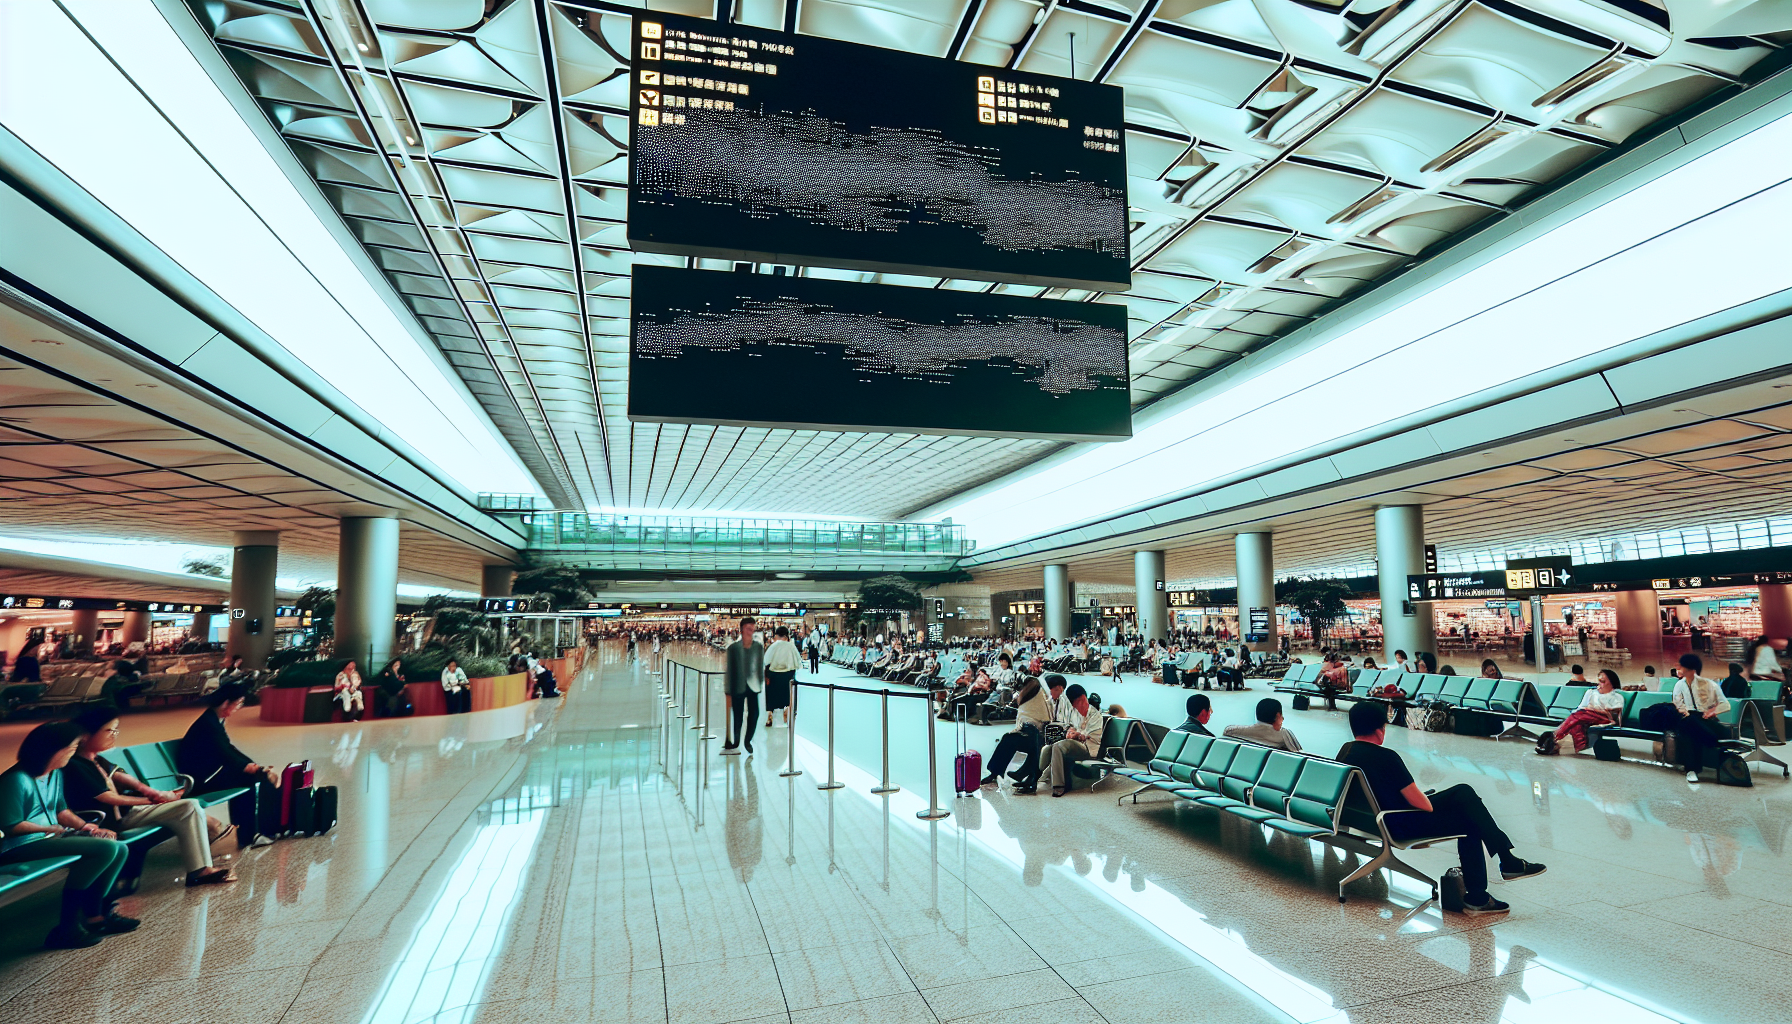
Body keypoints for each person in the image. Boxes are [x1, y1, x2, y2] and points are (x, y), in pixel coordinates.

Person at [1338, 701, 1545, 915]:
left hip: (1369, 819)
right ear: (1380, 729)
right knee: (1466, 805)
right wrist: (1425, 797)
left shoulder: (1346, 751)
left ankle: (1506, 864)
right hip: (1397, 823)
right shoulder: (1387, 757)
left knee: (1465, 803)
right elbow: (1423, 805)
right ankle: (1492, 880)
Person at [0, 721, 137, 948]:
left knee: (119, 847)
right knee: (104, 849)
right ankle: (67, 926)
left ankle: (97, 916)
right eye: (71, 748)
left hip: (49, 839)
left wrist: (87, 827)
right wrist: (48, 829)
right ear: (53, 749)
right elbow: (12, 826)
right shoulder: (15, 780)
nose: (73, 753)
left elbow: (61, 811)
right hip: (18, 846)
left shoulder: (55, 775)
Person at [63, 708, 235, 887]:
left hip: (128, 813)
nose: (114, 735)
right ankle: (200, 871)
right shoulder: (76, 764)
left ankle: (200, 869)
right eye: (109, 730)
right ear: (86, 735)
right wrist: (151, 800)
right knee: (188, 807)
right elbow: (109, 798)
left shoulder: (95, 759)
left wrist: (150, 792)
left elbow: (120, 776)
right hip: (109, 821)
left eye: (116, 730)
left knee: (189, 807)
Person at [981, 676, 1050, 793]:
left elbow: (1044, 718)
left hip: (1038, 735)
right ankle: (998, 772)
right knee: (1008, 739)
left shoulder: (1039, 696)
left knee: (1018, 739)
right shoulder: (1037, 697)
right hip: (1033, 733)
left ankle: (1027, 778)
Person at [1669, 653, 1730, 783]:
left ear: (1692, 669)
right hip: (1689, 719)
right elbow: (1678, 705)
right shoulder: (1679, 685)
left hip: (1705, 720)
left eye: (1683, 666)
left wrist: (1712, 711)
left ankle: (1691, 770)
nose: (1680, 669)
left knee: (1690, 727)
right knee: (1689, 724)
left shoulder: (1709, 685)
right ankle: (1710, 743)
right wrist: (1685, 713)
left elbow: (1725, 704)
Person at [1042, 683, 1104, 798]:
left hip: (1089, 747)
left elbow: (1089, 736)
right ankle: (1037, 776)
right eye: (1075, 705)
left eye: (1080, 702)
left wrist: (1077, 735)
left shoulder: (1095, 715)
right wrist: (1070, 732)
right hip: (1077, 743)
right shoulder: (1075, 713)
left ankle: (1059, 786)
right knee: (1049, 747)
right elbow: (1072, 726)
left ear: (1084, 699)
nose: (1078, 707)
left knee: (1058, 747)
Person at [1543, 670, 1624, 754]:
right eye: (1599, 681)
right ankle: (1576, 747)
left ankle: (1554, 737)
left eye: (1603, 681)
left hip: (1605, 719)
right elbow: (1581, 708)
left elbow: (1613, 714)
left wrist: (1593, 709)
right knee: (1577, 723)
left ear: (1611, 683)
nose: (1600, 684)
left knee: (1579, 716)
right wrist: (1589, 709)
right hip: (1586, 716)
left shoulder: (1617, 696)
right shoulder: (1592, 693)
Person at [722, 617, 766, 755]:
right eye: (748, 628)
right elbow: (729, 670)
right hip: (737, 685)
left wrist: (760, 682)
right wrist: (728, 690)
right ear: (742, 629)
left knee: (754, 714)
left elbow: (760, 666)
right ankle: (736, 741)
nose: (751, 631)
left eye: (753, 629)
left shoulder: (758, 647)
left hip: (753, 685)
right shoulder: (733, 648)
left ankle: (748, 740)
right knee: (738, 715)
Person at [1224, 698, 1302, 751]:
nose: (1283, 719)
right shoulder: (1284, 736)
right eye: (1281, 716)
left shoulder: (1231, 731)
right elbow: (1300, 755)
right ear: (1278, 716)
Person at [763, 625, 801, 727]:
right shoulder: (791, 646)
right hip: (787, 675)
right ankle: (786, 709)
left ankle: (770, 714)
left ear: (776, 635)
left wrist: (766, 676)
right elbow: (797, 663)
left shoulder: (773, 646)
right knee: (787, 696)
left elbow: (766, 661)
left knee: (770, 696)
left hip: (774, 674)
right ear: (787, 636)